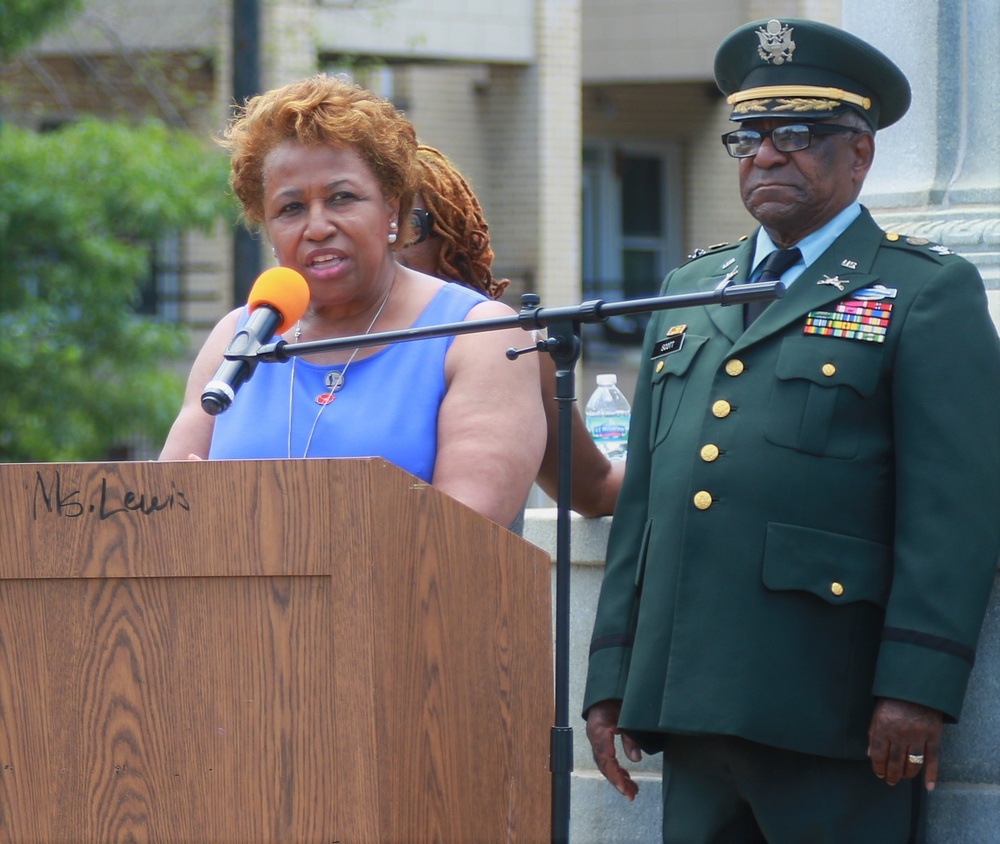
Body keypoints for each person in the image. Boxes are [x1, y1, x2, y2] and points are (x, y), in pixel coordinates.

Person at [583, 17, 1000, 843]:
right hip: (690, 698)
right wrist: (610, 678)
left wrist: (918, 685)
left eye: (798, 134)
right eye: (749, 135)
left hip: (831, 705)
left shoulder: (923, 292)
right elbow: (648, 503)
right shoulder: (690, 286)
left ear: (861, 152)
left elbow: (954, 509)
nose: (765, 156)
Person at [159, 75, 546, 530]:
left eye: (342, 198)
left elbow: (459, 540)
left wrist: (241, 522)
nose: (318, 226)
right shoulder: (235, 337)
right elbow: (163, 517)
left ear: (390, 209)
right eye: (291, 208)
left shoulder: (479, 336)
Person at [397, 144, 624, 517]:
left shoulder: (509, 345)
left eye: (408, 226)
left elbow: (594, 489)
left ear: (451, 236)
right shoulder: (288, 341)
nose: (385, 241)